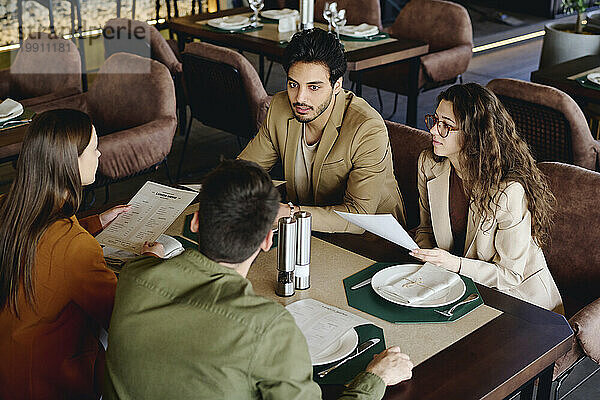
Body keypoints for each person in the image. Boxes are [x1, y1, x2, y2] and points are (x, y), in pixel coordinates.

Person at [104, 159, 413, 399]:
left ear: (196, 222)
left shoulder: (133, 276)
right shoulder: (269, 328)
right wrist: (376, 379)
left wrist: (152, 258)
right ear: (268, 239)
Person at [0, 109, 160, 400]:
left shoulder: (8, 206)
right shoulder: (74, 246)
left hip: (12, 369)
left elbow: (42, 239)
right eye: (93, 148)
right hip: (50, 384)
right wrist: (150, 262)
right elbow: (124, 318)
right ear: (68, 162)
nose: (99, 155)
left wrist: (96, 223)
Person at [410, 83, 563, 313]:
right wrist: (427, 258)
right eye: (435, 120)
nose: (433, 131)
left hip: (520, 303)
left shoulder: (509, 190)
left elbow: (510, 276)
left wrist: (453, 264)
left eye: (446, 126)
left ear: (473, 134)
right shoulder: (429, 164)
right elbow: (425, 230)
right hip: (461, 290)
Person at [238, 28, 406, 233]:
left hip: (370, 243)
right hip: (306, 232)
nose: (300, 98)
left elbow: (359, 216)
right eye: (293, 84)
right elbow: (243, 171)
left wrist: (290, 214)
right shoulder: (280, 107)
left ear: (337, 86)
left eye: (314, 87)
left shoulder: (367, 128)